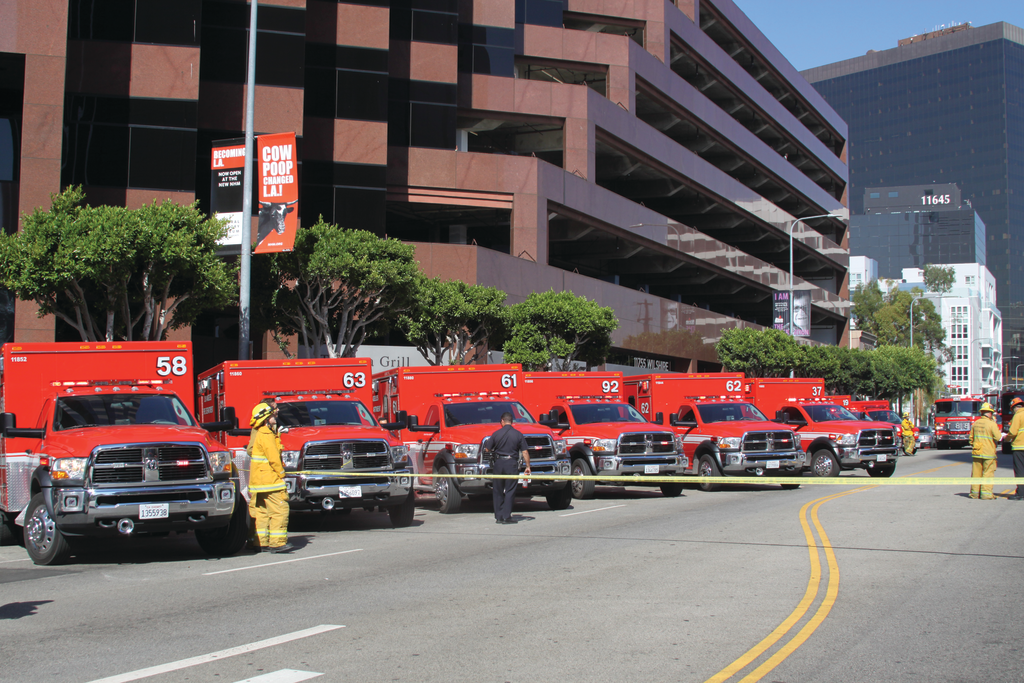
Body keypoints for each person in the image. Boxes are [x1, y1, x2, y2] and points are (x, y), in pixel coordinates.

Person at [248, 402, 293, 552]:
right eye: (272, 414)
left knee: (262, 512)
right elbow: (273, 457)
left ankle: (260, 542)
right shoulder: (266, 434)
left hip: (259, 481)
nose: (275, 416)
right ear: (266, 418)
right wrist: (281, 474)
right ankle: (277, 543)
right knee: (280, 509)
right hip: (270, 480)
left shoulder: (261, 433)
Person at [487, 412, 531, 525]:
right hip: (511, 463)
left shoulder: (496, 434)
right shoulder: (518, 434)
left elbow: (487, 449)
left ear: (502, 421)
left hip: (498, 463)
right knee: (510, 490)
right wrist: (528, 466)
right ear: (511, 421)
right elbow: (525, 452)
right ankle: (507, 516)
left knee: (497, 490)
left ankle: (499, 517)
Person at [968, 402, 1002, 500]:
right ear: (990, 413)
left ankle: (975, 494)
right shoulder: (992, 424)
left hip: (977, 452)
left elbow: (971, 439)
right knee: (988, 473)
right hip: (988, 452)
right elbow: (998, 437)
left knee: (976, 474)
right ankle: (986, 494)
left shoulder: (976, 423)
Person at [1004, 397, 1024, 501]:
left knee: (1020, 470)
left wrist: (1006, 439)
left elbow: (1013, 432)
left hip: (1020, 447)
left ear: (1014, 408)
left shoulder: (1018, 415)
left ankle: (1021, 493)